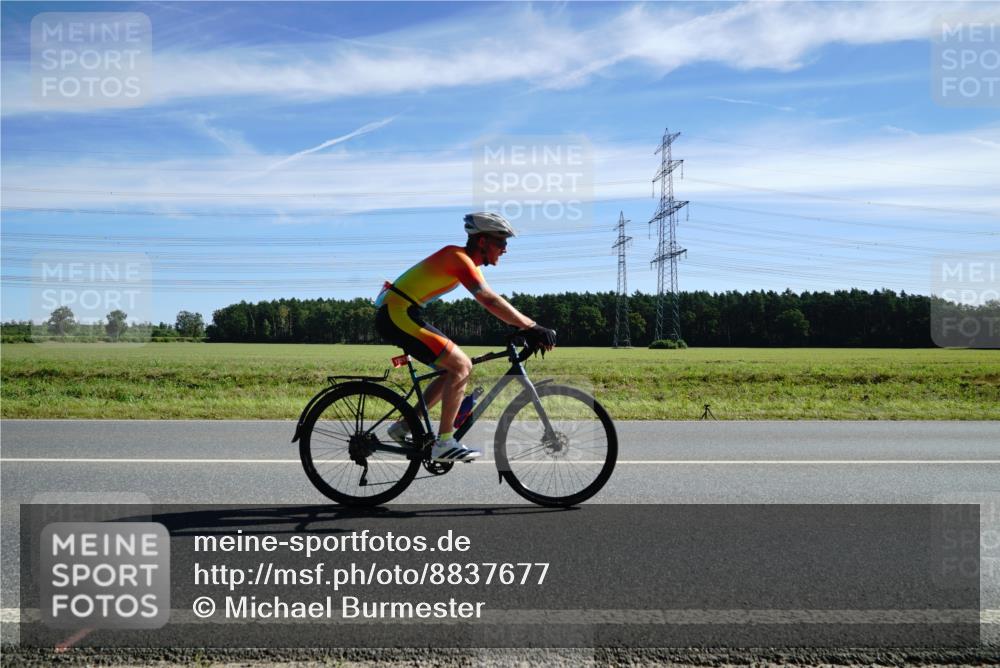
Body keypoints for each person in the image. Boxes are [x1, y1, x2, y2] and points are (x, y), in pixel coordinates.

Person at [374, 212, 556, 462]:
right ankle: (444, 443)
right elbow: (489, 299)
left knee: (451, 369)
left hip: (401, 312)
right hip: (397, 313)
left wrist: (524, 327)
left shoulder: (461, 259)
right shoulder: (458, 258)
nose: (505, 249)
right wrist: (533, 326)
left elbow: (491, 299)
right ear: (482, 241)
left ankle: (404, 426)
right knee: (461, 365)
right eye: (501, 242)